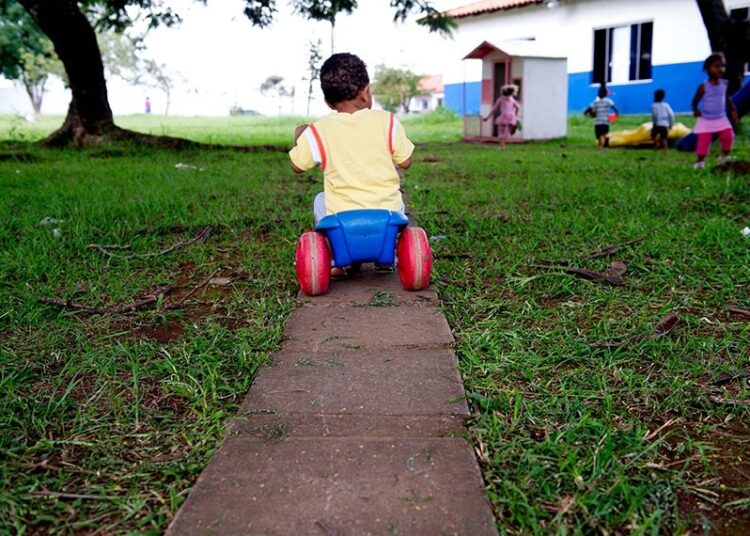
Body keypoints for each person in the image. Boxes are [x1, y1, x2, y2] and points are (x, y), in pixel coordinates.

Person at [289, 52, 414, 278]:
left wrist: (300, 137)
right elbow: (406, 161)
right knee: (397, 197)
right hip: (387, 215)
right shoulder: (387, 121)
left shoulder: (319, 130)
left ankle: (338, 259)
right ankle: (387, 256)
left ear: (328, 101)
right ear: (366, 91)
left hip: (341, 220)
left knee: (320, 199)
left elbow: (297, 165)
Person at [691, 52, 739, 169]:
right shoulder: (703, 86)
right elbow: (695, 101)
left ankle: (724, 157)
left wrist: (733, 110)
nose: (720, 69)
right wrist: (695, 109)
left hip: (721, 118)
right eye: (716, 66)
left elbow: (727, 98)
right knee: (704, 142)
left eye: (722, 66)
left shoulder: (724, 84)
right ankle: (700, 162)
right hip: (706, 119)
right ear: (707, 69)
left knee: (728, 136)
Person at [482, 84, 520, 150]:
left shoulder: (500, 99)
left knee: (501, 132)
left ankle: (502, 147)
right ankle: (512, 127)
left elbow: (494, 109)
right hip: (511, 117)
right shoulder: (512, 99)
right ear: (511, 92)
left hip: (504, 117)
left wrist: (487, 117)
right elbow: (518, 107)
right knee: (508, 132)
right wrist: (515, 115)